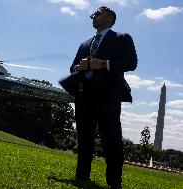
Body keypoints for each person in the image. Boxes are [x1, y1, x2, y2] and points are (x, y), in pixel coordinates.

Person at [69, 6, 137, 189]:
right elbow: (72, 68)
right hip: (84, 96)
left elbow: (131, 63)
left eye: (97, 14)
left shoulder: (122, 38)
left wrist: (104, 64)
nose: (93, 17)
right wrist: (79, 68)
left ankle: (114, 183)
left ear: (109, 18)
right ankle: (82, 176)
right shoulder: (85, 44)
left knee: (111, 140)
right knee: (84, 139)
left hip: (108, 96)